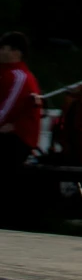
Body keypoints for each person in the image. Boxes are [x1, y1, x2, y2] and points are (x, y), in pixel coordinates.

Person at [0, 31, 44, 176]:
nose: (0, 52)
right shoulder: (6, 73)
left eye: (3, 48)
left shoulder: (19, 76)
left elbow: (6, 110)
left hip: (18, 138)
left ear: (16, 52)